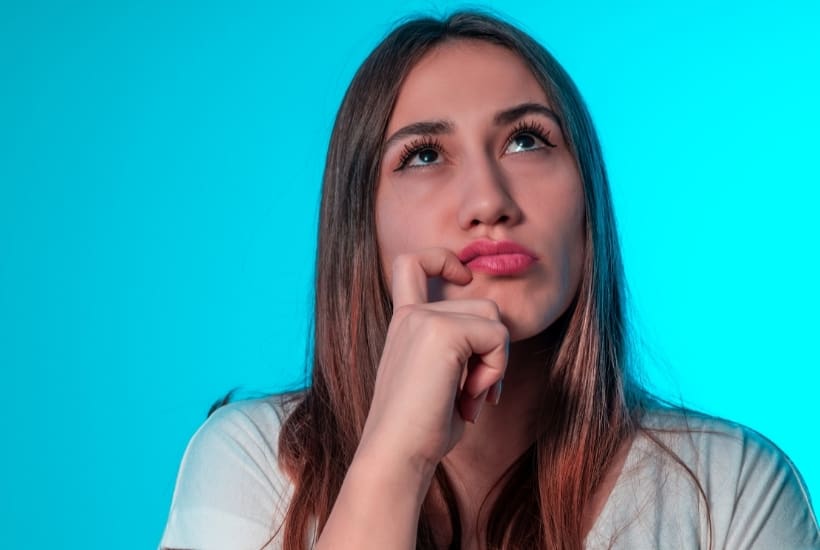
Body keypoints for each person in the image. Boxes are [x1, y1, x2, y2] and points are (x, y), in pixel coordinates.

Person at [159, 11, 819, 550]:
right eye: (423, 155)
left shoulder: (732, 487)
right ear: (364, 227)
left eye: (527, 141)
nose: (488, 200)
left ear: (588, 199)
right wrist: (394, 460)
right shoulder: (251, 464)